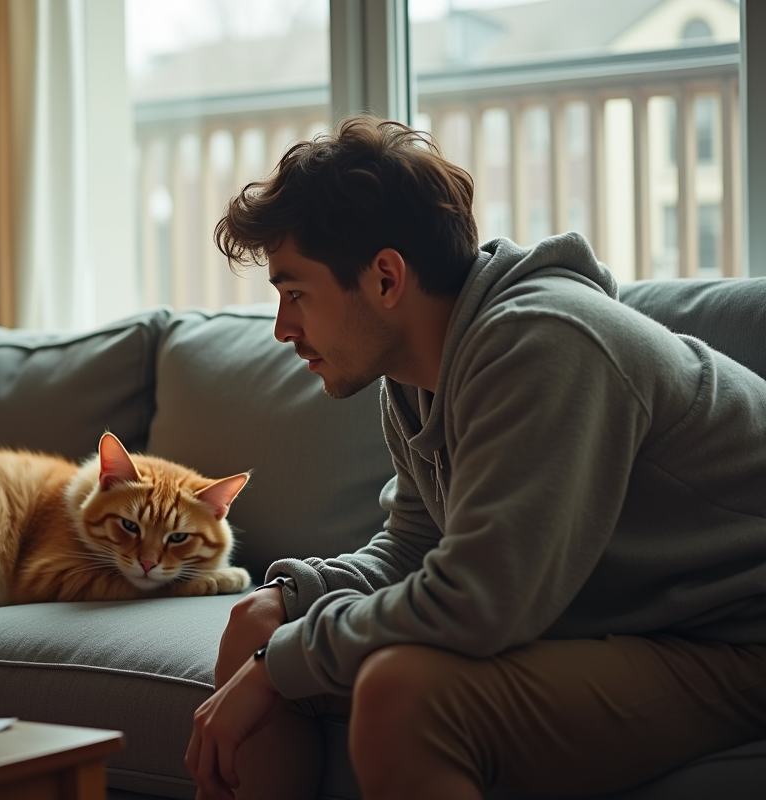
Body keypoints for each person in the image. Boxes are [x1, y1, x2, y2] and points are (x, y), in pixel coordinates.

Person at [184, 115, 766, 800]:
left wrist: (281, 664)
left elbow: (478, 600)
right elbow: (415, 544)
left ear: (386, 278)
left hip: (734, 639)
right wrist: (293, 603)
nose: (282, 328)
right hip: (640, 630)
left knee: (402, 693)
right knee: (259, 618)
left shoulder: (545, 343)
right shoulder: (415, 376)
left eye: (295, 293)